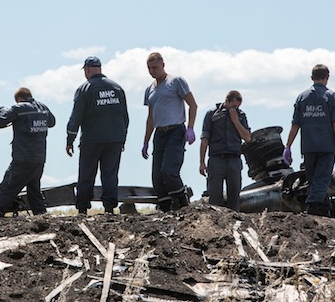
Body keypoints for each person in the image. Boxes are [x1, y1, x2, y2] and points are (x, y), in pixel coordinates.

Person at [283, 64, 335, 217]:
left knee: (315, 182)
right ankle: (312, 208)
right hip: (326, 147)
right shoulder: (332, 97)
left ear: (312, 77)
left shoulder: (302, 97)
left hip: (308, 147)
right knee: (321, 181)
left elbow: (295, 124)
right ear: (327, 77)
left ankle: (325, 212)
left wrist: (288, 146)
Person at [66, 56, 129, 215]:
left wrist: (70, 139)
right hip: (114, 139)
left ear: (87, 70)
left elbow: (76, 117)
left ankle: (82, 208)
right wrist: (123, 138)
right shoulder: (117, 88)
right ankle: (109, 208)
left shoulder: (84, 89)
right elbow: (125, 116)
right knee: (110, 175)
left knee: (86, 174)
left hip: (91, 140)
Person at [0, 87, 55, 217]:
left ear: (19, 99)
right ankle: (41, 213)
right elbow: (52, 122)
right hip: (39, 158)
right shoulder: (43, 108)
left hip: (23, 157)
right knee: (34, 188)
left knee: (7, 187)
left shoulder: (18, 108)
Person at [142, 52, 198, 212]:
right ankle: (165, 208)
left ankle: (182, 201)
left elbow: (193, 105)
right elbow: (150, 117)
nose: (152, 71)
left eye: (155, 67)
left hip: (175, 130)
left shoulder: (175, 82)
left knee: (169, 170)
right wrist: (146, 141)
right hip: (159, 133)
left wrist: (190, 128)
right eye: (149, 68)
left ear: (163, 65)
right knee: (157, 176)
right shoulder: (150, 90)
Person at [199, 90, 251, 212]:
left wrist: (236, 121)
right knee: (215, 197)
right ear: (226, 101)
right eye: (233, 106)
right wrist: (202, 162)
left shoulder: (241, 115)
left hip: (234, 159)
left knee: (234, 197)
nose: (235, 109)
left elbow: (247, 137)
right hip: (217, 159)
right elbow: (205, 138)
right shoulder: (212, 114)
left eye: (237, 107)